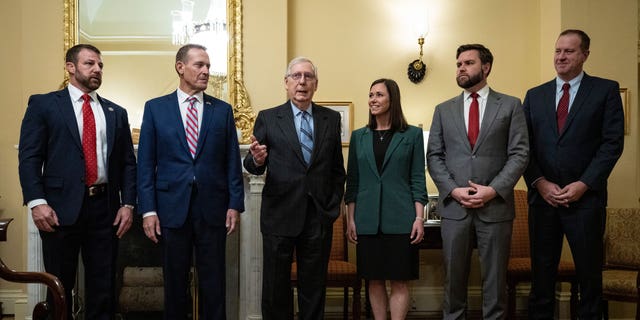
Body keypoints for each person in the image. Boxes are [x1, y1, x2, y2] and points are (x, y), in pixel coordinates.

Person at [18, 43, 137, 319]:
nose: (97, 69)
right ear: (70, 67)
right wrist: (37, 202)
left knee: (104, 287)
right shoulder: (44, 104)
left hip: (105, 210)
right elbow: (30, 158)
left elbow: (128, 163)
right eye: (90, 63)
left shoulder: (115, 112)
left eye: (100, 65)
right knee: (59, 286)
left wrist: (128, 204)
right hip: (58, 210)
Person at [137, 43, 244, 320]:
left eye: (208, 65)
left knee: (214, 283)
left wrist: (235, 204)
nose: (206, 71)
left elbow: (232, 160)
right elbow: (146, 164)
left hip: (213, 209)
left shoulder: (222, 110)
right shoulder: (156, 109)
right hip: (171, 209)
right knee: (174, 283)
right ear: (180, 67)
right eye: (199, 65)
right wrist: (148, 210)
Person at [523, 29, 624, 320]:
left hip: (586, 201)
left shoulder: (605, 90)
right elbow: (523, 147)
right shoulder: (535, 95)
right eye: (557, 51)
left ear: (585, 55)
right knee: (541, 277)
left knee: (589, 275)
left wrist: (584, 183)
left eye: (569, 51)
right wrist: (539, 183)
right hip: (543, 202)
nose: (561, 57)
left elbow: (611, 144)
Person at [426, 44, 529, 319]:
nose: (461, 68)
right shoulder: (443, 109)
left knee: (495, 284)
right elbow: (434, 156)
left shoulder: (510, 105)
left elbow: (520, 154)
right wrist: (453, 190)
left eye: (468, 63)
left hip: (495, 208)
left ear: (486, 67)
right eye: (458, 64)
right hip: (455, 209)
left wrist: (494, 190)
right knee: (453, 280)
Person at [243, 56, 345, 320]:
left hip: (317, 217)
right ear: (286, 83)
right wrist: (256, 159)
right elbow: (253, 164)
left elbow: (337, 170)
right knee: (276, 290)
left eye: (308, 76)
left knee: (314, 289)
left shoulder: (330, 119)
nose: (302, 82)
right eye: (296, 76)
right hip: (279, 215)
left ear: (316, 84)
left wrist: (331, 209)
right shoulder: (268, 117)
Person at [345, 78, 427, 320]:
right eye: (370, 95)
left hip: (401, 219)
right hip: (367, 220)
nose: (373, 99)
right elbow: (353, 182)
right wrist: (351, 219)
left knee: (400, 281)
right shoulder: (359, 136)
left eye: (379, 95)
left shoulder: (412, 135)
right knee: (374, 280)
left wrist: (419, 217)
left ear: (393, 99)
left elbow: (417, 179)